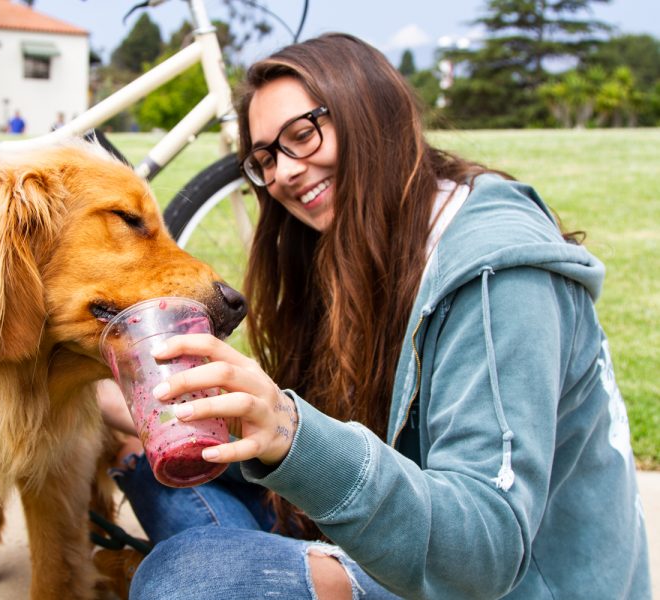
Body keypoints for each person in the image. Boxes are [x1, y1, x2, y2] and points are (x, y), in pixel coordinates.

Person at [103, 33, 650, 599]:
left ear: (373, 114)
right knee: (158, 470)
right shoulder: (348, 247)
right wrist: (222, 415)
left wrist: (289, 431)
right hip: (408, 539)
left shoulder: (499, 276)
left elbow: (484, 552)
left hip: (503, 582)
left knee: (187, 574)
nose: (285, 173)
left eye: (303, 134)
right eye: (266, 158)